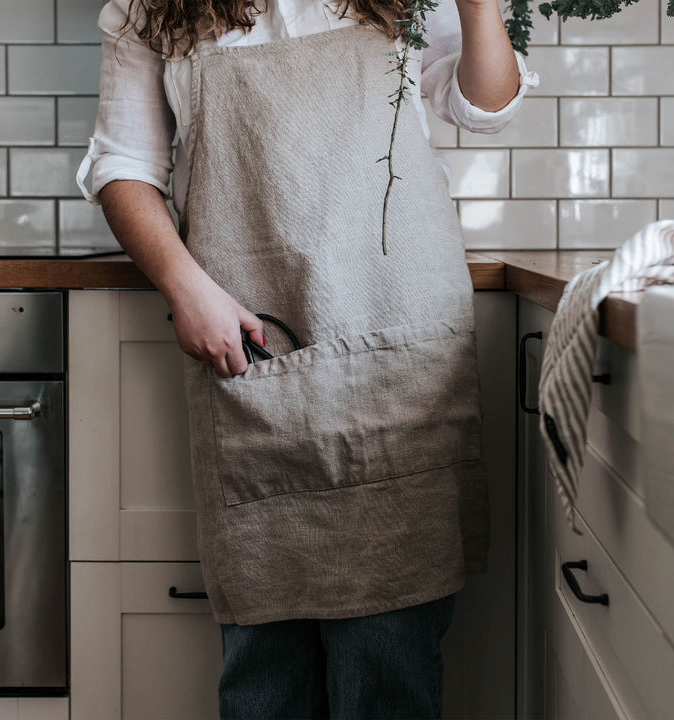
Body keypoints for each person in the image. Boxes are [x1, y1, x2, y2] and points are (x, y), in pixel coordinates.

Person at [77, 0, 537, 716]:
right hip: (255, 344)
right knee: (268, 664)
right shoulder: (151, 10)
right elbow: (123, 166)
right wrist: (185, 287)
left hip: (397, 348)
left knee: (389, 659)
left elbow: (484, 105)